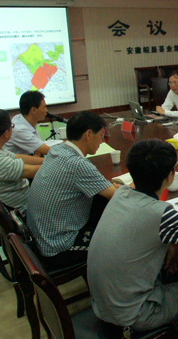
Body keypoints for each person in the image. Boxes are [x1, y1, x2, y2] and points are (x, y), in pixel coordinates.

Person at [88, 139, 178, 339]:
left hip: (104, 303)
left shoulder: (121, 193)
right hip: (134, 313)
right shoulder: (161, 214)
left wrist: (174, 241)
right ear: (170, 176)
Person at [27, 111, 120, 270]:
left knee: (100, 202)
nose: (102, 141)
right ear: (88, 135)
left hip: (41, 235)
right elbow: (118, 197)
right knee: (121, 241)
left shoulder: (58, 149)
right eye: (101, 135)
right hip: (58, 247)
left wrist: (109, 187)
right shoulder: (77, 164)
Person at [4, 90, 51, 156]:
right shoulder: (19, 129)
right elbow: (48, 151)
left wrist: (38, 152)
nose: (46, 110)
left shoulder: (26, 120)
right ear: (33, 110)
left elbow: (39, 149)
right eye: (44, 107)